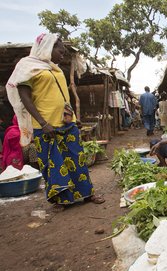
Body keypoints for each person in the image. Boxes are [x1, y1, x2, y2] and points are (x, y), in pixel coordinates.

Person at [6, 33, 104, 210]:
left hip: (67, 124)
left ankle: (87, 194)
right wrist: (43, 123)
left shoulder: (55, 69)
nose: (63, 54)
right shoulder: (28, 68)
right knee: (54, 164)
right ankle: (60, 199)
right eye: (61, 50)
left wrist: (73, 117)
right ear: (48, 48)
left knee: (77, 159)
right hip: (46, 126)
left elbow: (62, 96)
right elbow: (25, 98)